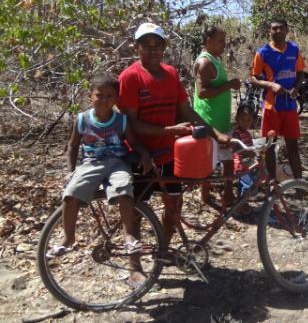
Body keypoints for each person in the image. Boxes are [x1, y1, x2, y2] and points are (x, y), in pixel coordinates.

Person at [118, 22, 229, 262]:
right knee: (136, 211)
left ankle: (163, 251)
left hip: (168, 153)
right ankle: (134, 265)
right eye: (146, 45)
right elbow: (130, 123)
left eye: (157, 44)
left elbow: (185, 110)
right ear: (137, 47)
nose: (152, 49)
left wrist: (215, 133)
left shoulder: (170, 74)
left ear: (164, 47)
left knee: (173, 206)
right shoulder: (129, 77)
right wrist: (169, 130)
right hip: (140, 155)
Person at [47, 73, 153, 263]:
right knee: (70, 194)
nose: (103, 100)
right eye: (99, 95)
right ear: (90, 96)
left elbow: (134, 142)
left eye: (109, 96)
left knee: (124, 190)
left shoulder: (121, 120)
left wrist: (144, 154)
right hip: (91, 164)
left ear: (116, 99)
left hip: (117, 163)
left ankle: (129, 236)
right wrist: (71, 171)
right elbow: (72, 146)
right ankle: (68, 237)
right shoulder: (82, 119)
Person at [250, 18, 305, 179]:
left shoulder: (294, 49)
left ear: (287, 30)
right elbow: (253, 78)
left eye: (281, 28)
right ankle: (272, 187)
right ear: (270, 31)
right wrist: (270, 85)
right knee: (270, 146)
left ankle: (300, 186)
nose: (278, 31)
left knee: (293, 147)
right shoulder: (262, 52)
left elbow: (301, 72)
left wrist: (296, 87)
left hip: (289, 106)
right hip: (271, 106)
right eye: (274, 28)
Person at [193, 26, 241, 207]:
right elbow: (202, 92)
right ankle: (206, 197)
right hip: (209, 121)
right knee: (208, 162)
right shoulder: (205, 63)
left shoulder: (214, 60)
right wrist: (229, 85)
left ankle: (227, 195)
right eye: (221, 41)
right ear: (209, 41)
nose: (224, 44)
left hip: (220, 120)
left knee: (227, 158)